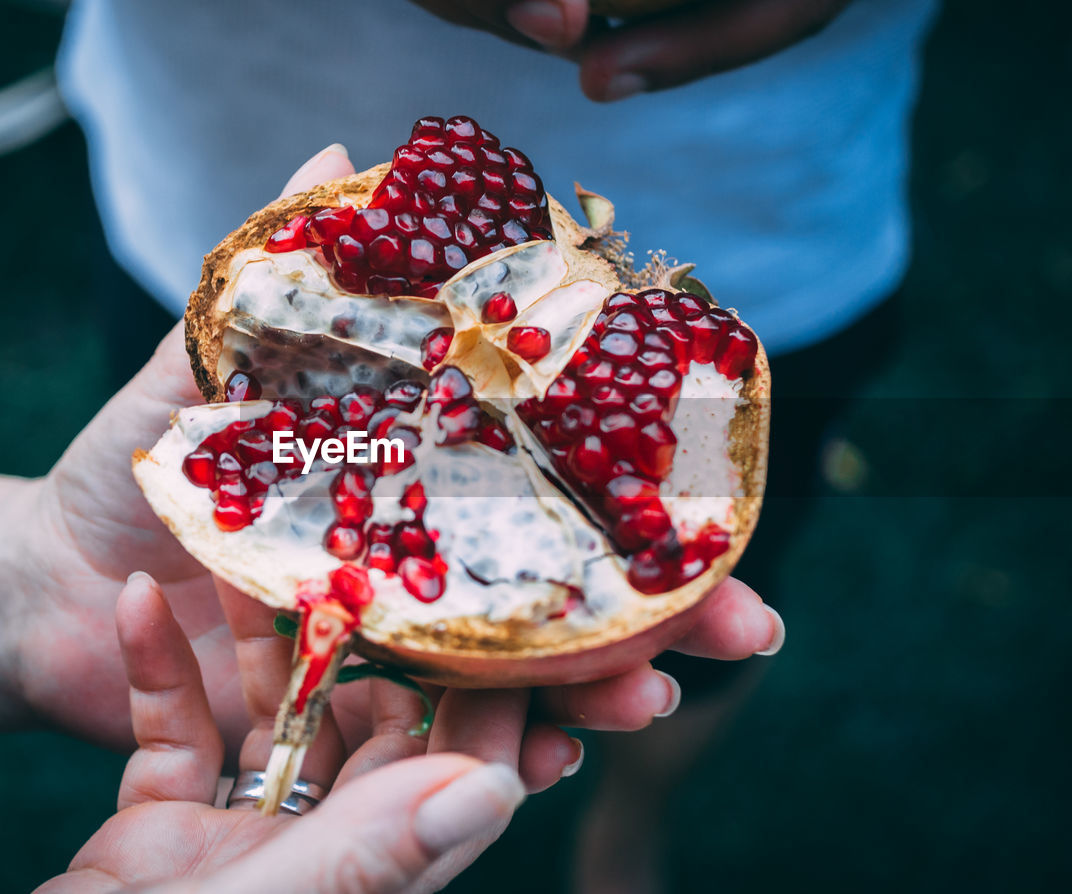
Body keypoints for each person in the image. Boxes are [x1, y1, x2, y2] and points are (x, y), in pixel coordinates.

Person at [54, 0, 936, 888]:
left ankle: (633, 816)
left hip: (774, 192)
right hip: (208, 131)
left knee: (707, 618)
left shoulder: (709, 373)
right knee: (689, 625)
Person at [0, 148, 784, 891]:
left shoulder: (702, 386)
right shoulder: (694, 368)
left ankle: (633, 813)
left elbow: (696, 488)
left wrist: (13, 581)